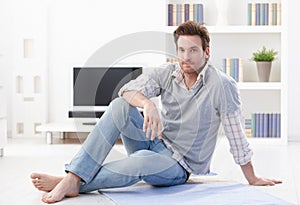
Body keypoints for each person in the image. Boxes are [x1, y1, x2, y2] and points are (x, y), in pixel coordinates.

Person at [31, 21, 282, 203]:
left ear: (206, 52)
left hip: (177, 166)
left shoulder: (223, 85)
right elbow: (127, 91)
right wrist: (148, 104)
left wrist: (252, 177)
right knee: (120, 106)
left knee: (139, 162)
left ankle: (71, 181)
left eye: (193, 50)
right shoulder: (167, 73)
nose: (186, 57)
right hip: (156, 142)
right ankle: (74, 176)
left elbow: (236, 135)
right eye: (181, 50)